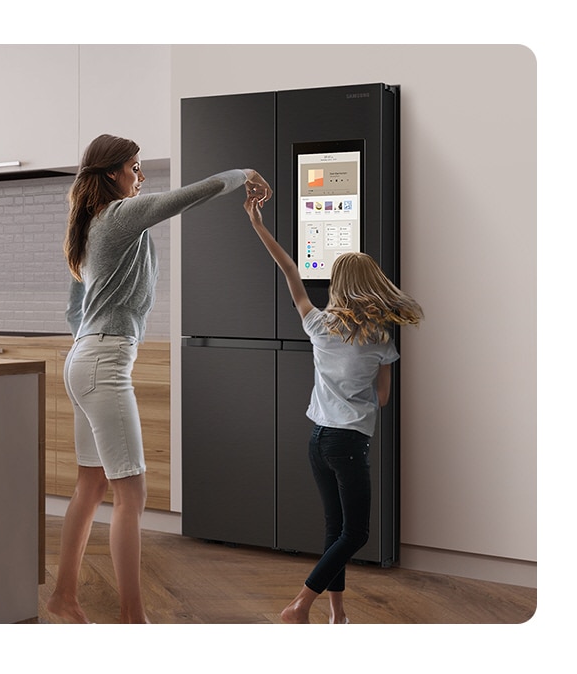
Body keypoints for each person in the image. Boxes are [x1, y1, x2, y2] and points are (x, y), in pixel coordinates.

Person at [47, 134, 272, 624]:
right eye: (135, 166)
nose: (140, 175)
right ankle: (133, 619)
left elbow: (73, 306)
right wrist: (244, 174)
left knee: (91, 485)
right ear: (112, 173)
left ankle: (64, 596)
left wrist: (91, 340)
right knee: (132, 494)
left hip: (86, 358)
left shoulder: (87, 226)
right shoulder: (121, 216)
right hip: (104, 362)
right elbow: (191, 195)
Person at [244, 194, 423, 624]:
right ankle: (300, 606)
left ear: (338, 284)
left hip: (318, 440)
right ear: (372, 282)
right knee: (356, 533)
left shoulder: (318, 324)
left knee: (335, 528)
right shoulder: (380, 338)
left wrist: (257, 224)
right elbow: (382, 398)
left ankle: (337, 614)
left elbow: (290, 269)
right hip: (349, 442)